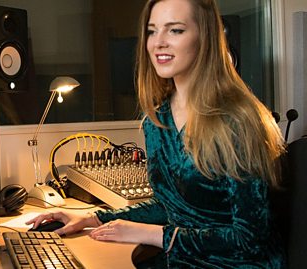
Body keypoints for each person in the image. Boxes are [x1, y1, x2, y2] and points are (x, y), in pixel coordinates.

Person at [26, 0, 286, 268]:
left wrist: (153, 234)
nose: (158, 42)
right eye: (152, 31)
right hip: (181, 259)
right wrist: (94, 219)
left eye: (175, 30)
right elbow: (169, 207)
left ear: (205, 38)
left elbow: (251, 239)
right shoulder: (157, 119)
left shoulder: (238, 119)